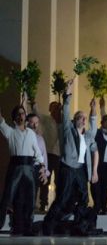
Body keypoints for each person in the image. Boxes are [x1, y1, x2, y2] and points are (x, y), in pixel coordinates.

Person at [43, 80, 99, 235]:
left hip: (80, 169)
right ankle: (49, 224)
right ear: (75, 120)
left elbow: (93, 126)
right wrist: (67, 94)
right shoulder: (68, 129)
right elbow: (66, 111)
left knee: (83, 199)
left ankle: (79, 226)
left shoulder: (87, 136)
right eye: (80, 117)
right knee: (62, 198)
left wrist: (93, 109)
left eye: (84, 118)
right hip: (67, 168)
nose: (83, 120)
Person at [0, 103, 47, 235]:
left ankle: (27, 226)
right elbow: (1, 121)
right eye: (18, 114)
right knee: (10, 196)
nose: (21, 116)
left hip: (29, 169)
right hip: (15, 168)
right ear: (14, 118)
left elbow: (37, 152)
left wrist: (42, 168)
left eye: (23, 113)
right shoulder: (10, 132)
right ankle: (12, 224)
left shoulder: (31, 133)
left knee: (29, 198)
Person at [34, 99, 61, 213]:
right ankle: (43, 204)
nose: (55, 109)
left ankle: (59, 204)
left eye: (57, 107)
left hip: (60, 155)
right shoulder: (46, 119)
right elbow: (37, 113)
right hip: (49, 154)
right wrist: (33, 103)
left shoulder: (62, 121)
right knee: (45, 180)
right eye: (53, 107)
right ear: (50, 109)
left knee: (59, 182)